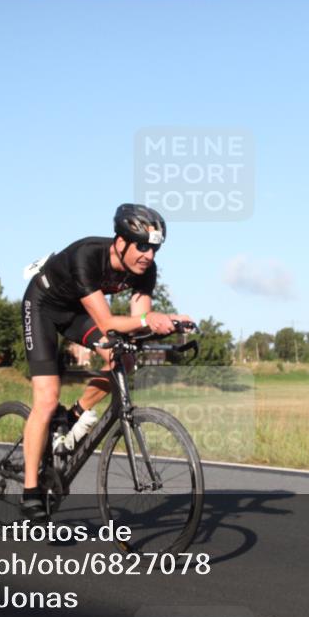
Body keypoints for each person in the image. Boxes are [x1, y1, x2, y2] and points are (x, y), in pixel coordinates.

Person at [19, 204, 193, 520]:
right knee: (46, 399)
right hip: (43, 306)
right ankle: (30, 491)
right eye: (142, 246)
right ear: (120, 241)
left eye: (154, 248)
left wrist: (169, 323)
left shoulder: (146, 271)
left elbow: (137, 320)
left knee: (123, 359)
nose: (148, 256)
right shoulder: (88, 255)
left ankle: (74, 416)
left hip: (78, 313)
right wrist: (151, 318)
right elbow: (111, 323)